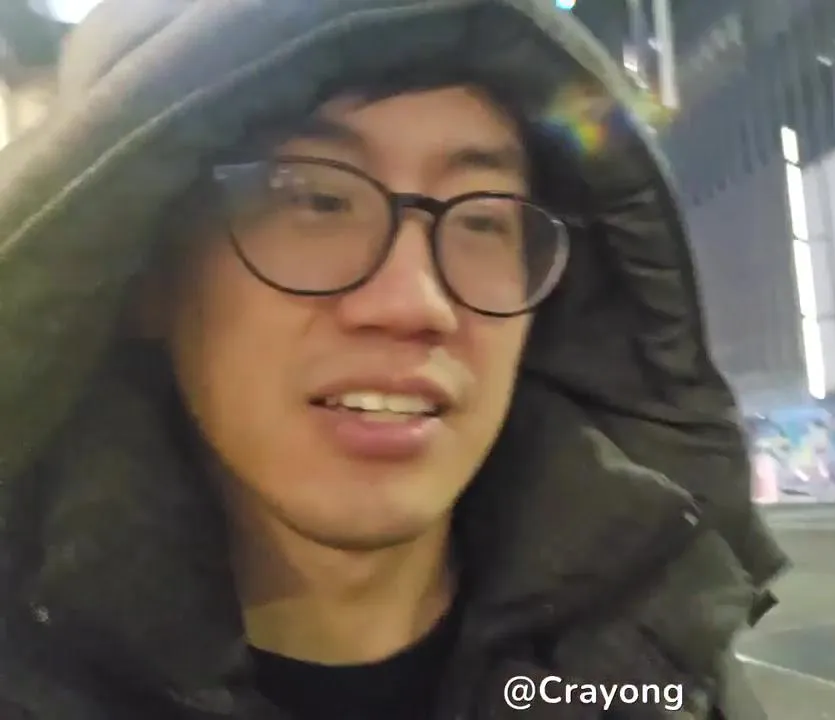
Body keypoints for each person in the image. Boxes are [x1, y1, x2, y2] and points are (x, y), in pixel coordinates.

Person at [0, 1, 788, 718]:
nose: (415, 303)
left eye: (483, 220)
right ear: (147, 275)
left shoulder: (650, 657)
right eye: (316, 200)